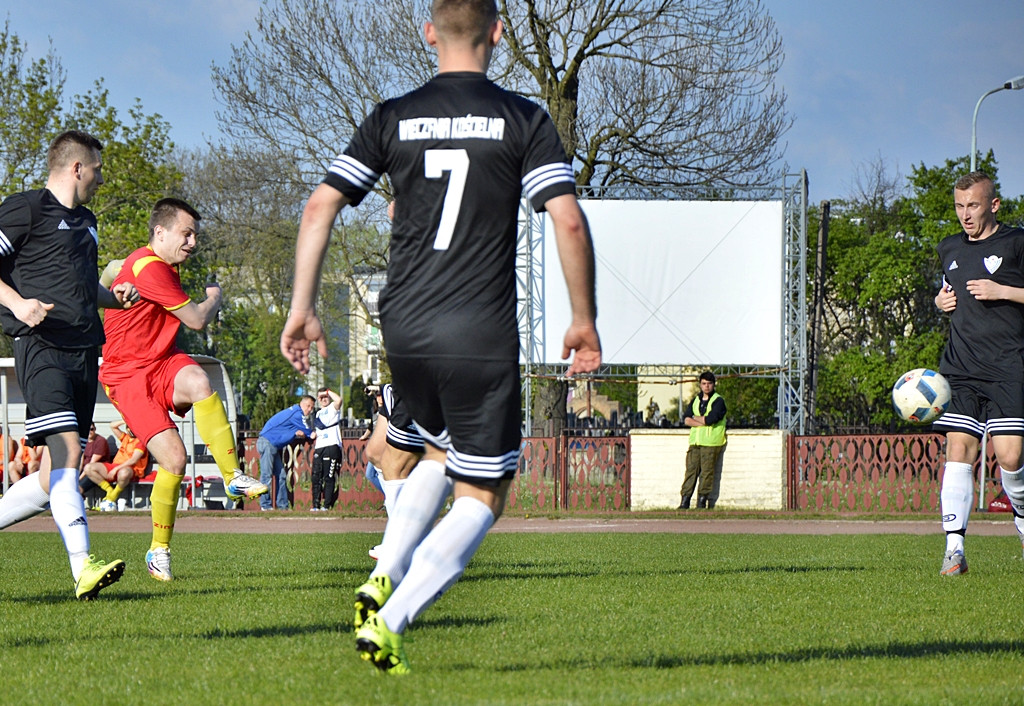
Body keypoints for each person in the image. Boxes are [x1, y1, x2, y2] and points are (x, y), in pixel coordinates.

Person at [281, 0, 601, 675]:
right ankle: (391, 620)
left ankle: (384, 571)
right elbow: (567, 222)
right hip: (479, 329)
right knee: (482, 494)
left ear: (429, 33)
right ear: (498, 32)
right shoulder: (523, 119)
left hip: (404, 326)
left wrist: (303, 308)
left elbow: (320, 205)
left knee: (433, 449)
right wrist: (583, 317)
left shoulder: (392, 115)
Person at [98, 197, 269, 581]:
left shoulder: (149, 263)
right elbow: (194, 320)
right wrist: (215, 298)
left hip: (160, 362)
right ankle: (158, 551)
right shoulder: (154, 268)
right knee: (175, 461)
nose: (192, 242)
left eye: (195, 235)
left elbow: (110, 272)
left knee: (198, 380)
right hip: (127, 377)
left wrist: (108, 279)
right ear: (160, 232)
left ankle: (232, 476)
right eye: (185, 233)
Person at [0, 129, 132, 599]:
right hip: (42, 347)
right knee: (69, 452)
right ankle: (83, 568)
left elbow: (79, 285)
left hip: (83, 352)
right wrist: (17, 305)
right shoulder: (26, 208)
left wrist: (112, 298)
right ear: (77, 167)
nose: (100, 176)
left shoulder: (89, 221)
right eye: (96, 168)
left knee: (53, 472)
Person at [933, 171, 1024, 576]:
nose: (964, 214)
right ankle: (954, 551)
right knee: (960, 450)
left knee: (1010, 457)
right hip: (961, 367)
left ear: (993, 205)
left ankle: (1021, 515)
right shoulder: (948, 247)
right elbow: (946, 287)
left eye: (972, 205)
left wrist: (1002, 290)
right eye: (959, 205)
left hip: (1008, 366)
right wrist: (941, 300)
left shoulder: (1017, 242)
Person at [365, 383, 426, 560]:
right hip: (398, 386)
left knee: (396, 467)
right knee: (375, 453)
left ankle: (402, 542)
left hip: (419, 387)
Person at [678, 371, 727, 510]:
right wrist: (702, 421)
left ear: (713, 384)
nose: (706, 386)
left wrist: (696, 417)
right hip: (695, 442)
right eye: (704, 383)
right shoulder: (696, 400)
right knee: (690, 472)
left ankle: (701, 502)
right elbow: (686, 419)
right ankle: (685, 501)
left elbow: (711, 419)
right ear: (700, 384)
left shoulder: (718, 401)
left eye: (709, 384)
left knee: (707, 473)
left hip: (711, 442)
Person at [257, 396, 315, 511]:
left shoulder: (294, 412)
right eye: (308, 406)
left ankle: (283, 506)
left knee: (281, 475)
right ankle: (265, 505)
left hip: (272, 444)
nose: (309, 410)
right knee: (266, 475)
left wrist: (296, 432)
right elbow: (310, 432)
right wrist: (312, 433)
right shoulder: (298, 414)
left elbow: (292, 428)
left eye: (312, 408)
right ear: (301, 404)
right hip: (268, 442)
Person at [80, 419, 149, 512]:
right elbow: (112, 425)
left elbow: (134, 460)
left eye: (133, 428)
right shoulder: (125, 437)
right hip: (115, 467)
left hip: (132, 470)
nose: (131, 430)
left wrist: (116, 469)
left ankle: (113, 495)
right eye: (129, 427)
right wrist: (126, 419)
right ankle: (109, 490)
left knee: (124, 472)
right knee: (89, 468)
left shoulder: (141, 442)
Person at [311, 387, 344, 511]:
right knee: (316, 476)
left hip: (332, 445)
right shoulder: (318, 413)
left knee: (328, 477)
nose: (323, 399)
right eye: (321, 397)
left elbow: (339, 400)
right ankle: (315, 505)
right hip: (320, 446)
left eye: (325, 397)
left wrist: (328, 391)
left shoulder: (332, 408)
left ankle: (327, 506)